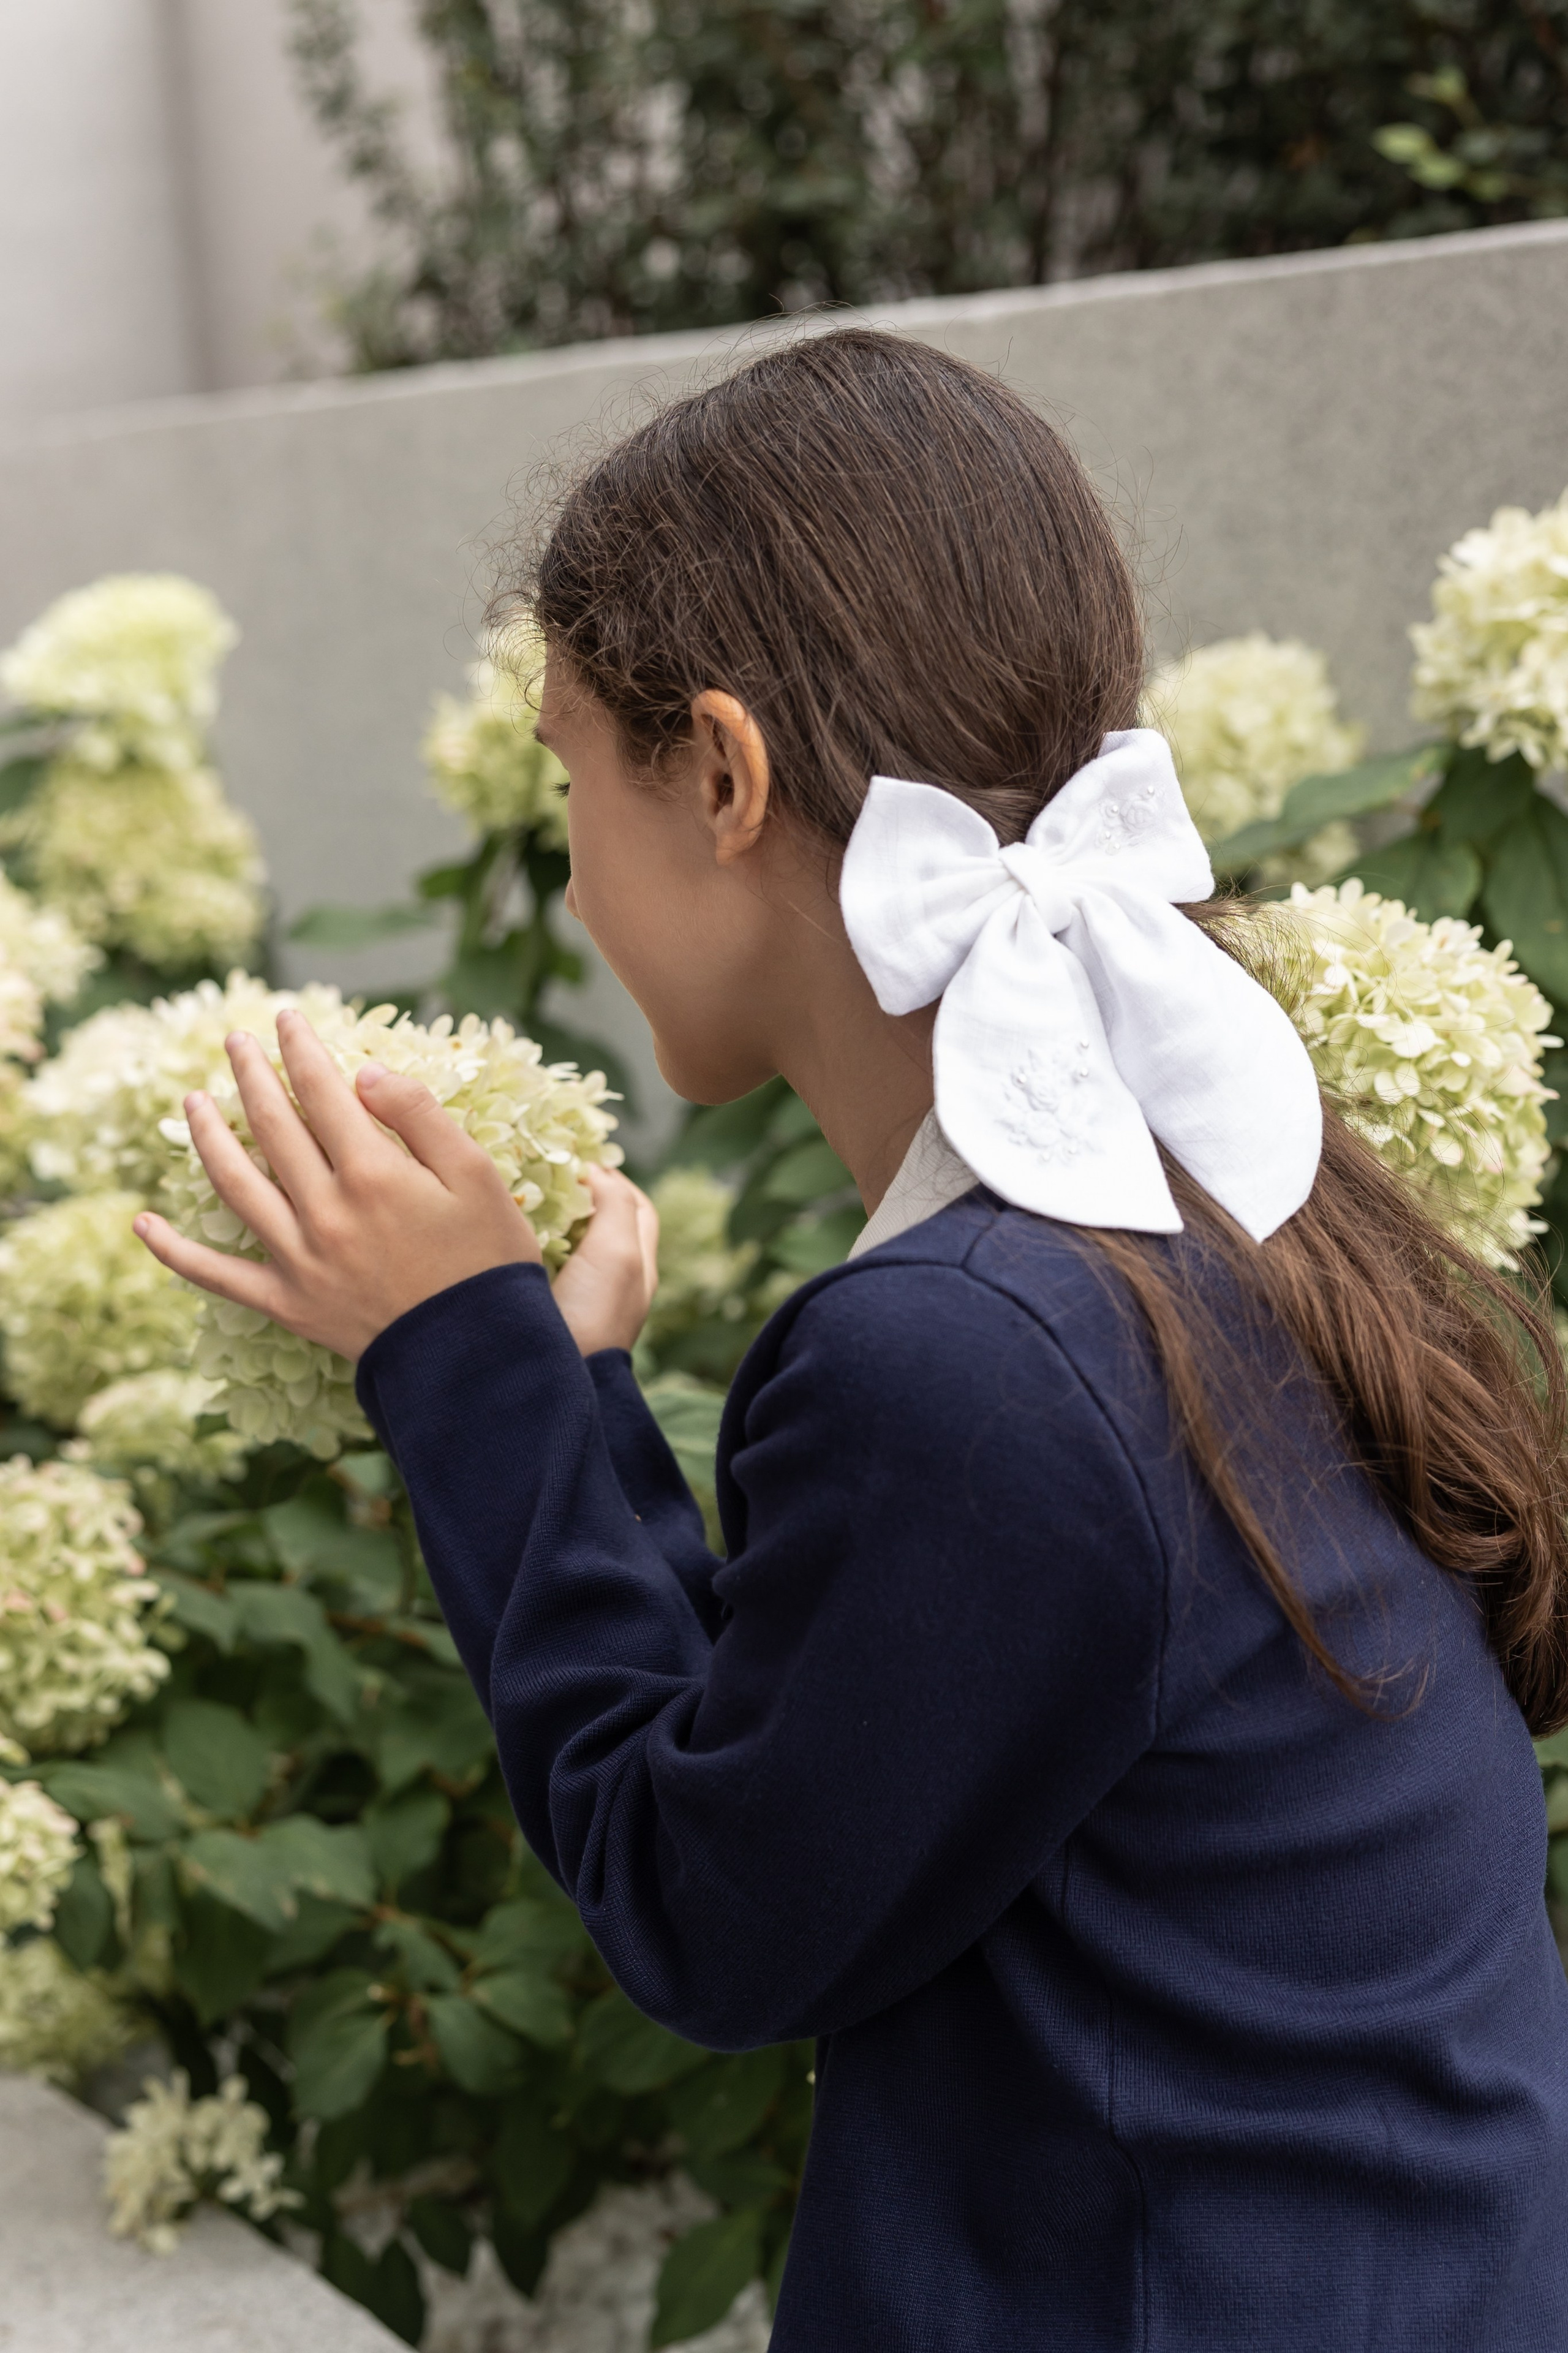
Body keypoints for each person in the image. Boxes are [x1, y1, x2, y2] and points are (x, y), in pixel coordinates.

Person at [135, 328, 1568, 2349]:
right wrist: (573, 1398)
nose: (563, 868)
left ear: (718, 772)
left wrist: (457, 1355)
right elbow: (840, 1749)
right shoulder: (1209, 1215)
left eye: (570, 781)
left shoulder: (981, 1348)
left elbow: (710, 1912)